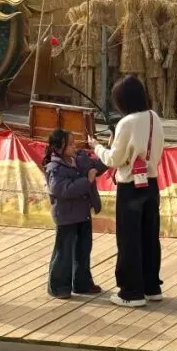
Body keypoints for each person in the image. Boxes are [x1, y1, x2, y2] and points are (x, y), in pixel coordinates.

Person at [91, 74, 165, 308]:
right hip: (151, 183)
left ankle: (131, 292)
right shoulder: (154, 117)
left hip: (130, 186)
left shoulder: (127, 122)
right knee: (149, 237)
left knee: (129, 239)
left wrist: (97, 147)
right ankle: (151, 286)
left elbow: (114, 159)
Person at [43, 128, 106, 299]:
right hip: (66, 216)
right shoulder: (55, 168)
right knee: (64, 252)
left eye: (73, 143)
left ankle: (82, 283)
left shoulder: (79, 159)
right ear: (58, 148)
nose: (74, 146)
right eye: (70, 144)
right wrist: (87, 181)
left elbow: (97, 166)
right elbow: (62, 190)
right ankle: (58, 287)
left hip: (83, 213)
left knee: (83, 250)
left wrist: (108, 150)